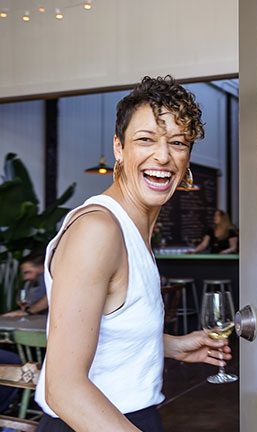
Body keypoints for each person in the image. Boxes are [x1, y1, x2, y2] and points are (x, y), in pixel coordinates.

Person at [34, 76, 231, 431]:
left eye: (177, 142)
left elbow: (104, 328)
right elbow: (63, 389)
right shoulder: (99, 230)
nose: (163, 155)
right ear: (119, 148)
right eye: (146, 140)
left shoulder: (130, 228)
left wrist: (170, 346)